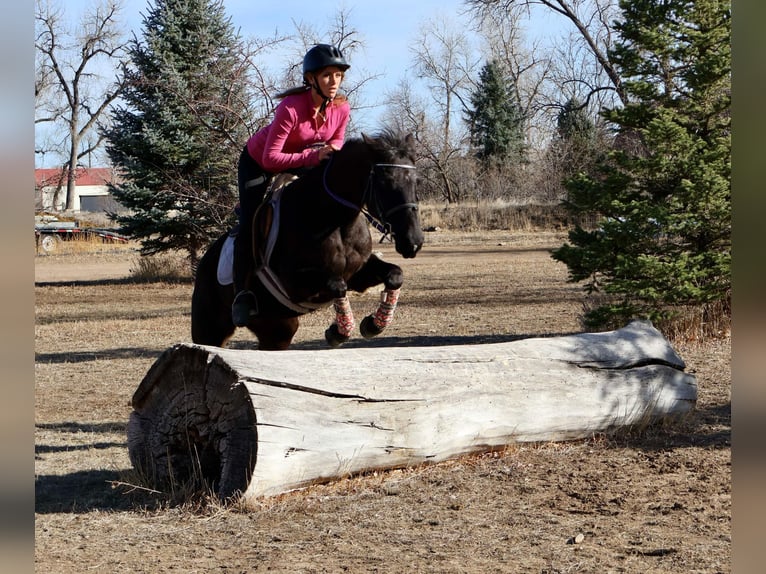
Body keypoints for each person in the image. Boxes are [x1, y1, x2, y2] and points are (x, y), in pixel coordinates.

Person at [232, 44, 351, 327]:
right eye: (327, 76)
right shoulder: (290, 108)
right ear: (311, 79)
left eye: (338, 76)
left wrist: (327, 153)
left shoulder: (342, 108)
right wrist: (313, 155)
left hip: (303, 161)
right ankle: (243, 294)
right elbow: (271, 158)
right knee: (251, 219)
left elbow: (336, 142)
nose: (334, 82)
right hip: (257, 163)